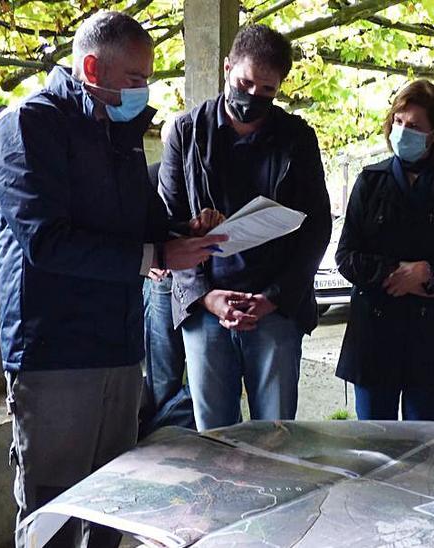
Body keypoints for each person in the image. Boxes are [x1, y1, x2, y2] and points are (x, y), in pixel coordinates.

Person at [0, 11, 224, 548]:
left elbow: (137, 219)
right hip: (55, 352)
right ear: (92, 67)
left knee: (117, 501)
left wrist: (185, 231)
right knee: (55, 510)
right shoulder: (26, 127)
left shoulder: (119, 132)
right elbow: (46, 242)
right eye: (136, 78)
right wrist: (157, 252)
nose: (144, 90)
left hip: (117, 343)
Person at [160, 25, 332, 431]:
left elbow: (316, 227)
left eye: (267, 91)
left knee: (275, 432)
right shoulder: (186, 133)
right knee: (214, 434)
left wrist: (275, 297)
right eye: (244, 83)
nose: (252, 97)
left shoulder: (297, 138)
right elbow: (167, 224)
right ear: (226, 68)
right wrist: (205, 297)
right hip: (207, 307)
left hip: (274, 307)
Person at [334, 80, 434, 421]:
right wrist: (394, 274)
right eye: (398, 122)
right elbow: (345, 255)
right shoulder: (370, 180)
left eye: (414, 126)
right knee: (374, 444)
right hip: (376, 331)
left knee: (423, 445)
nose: (402, 131)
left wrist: (429, 272)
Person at [138, 120, 197, 438]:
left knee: (203, 377)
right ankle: (165, 436)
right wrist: (150, 265)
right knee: (162, 374)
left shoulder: (204, 179)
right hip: (163, 283)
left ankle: (164, 431)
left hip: (201, 286)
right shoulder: (149, 176)